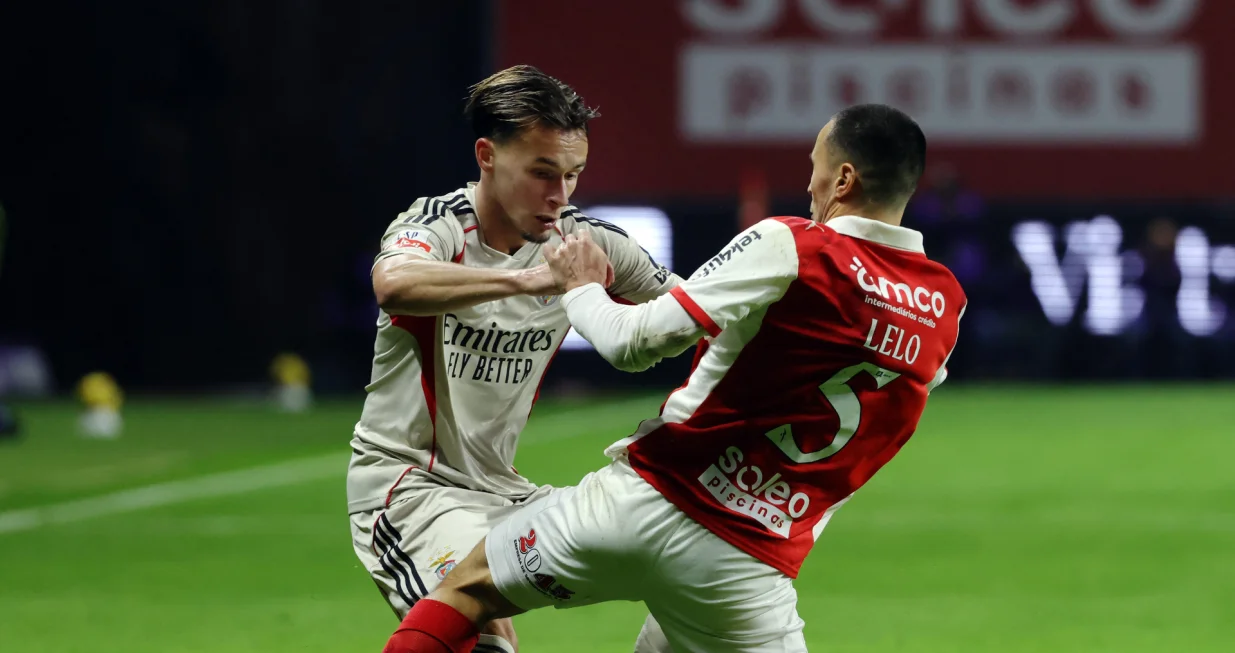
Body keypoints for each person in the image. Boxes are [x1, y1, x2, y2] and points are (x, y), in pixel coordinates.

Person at [381, 103, 967, 653]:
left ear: (842, 181)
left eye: (813, 169)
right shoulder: (944, 306)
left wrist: (580, 287)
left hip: (636, 506)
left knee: (467, 590)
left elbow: (632, 343)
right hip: (745, 569)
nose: (808, 186)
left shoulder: (791, 243)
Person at [348, 65, 681, 653]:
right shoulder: (440, 225)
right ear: (487, 155)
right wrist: (529, 280)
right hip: (412, 488)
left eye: (573, 175)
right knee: (484, 639)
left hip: (506, 491)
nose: (559, 195)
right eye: (542, 172)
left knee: (684, 559)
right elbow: (393, 283)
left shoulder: (588, 243)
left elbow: (695, 309)